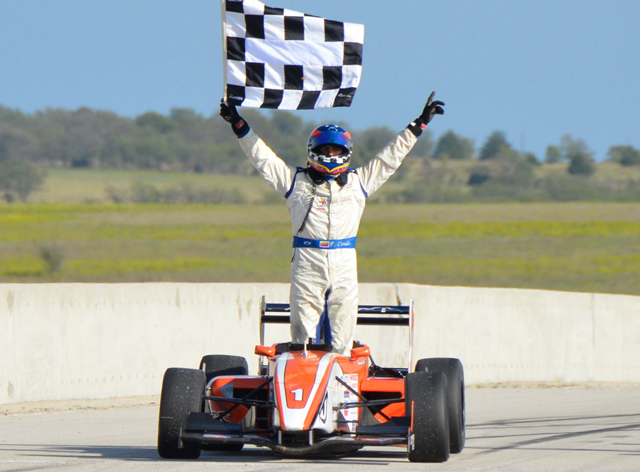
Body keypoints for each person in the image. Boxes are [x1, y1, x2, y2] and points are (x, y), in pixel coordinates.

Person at [220, 93, 444, 354]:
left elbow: (389, 158)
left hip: (344, 259)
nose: (330, 153)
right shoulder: (294, 180)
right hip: (307, 258)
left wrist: (418, 125)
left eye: (336, 150)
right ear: (312, 151)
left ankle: (342, 372)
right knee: (302, 326)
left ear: (346, 153)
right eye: (325, 149)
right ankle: (300, 372)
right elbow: (262, 157)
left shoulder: (360, 181)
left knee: (342, 328)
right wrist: (237, 123)